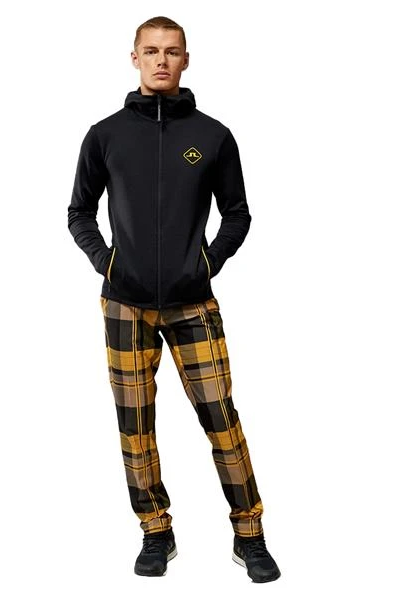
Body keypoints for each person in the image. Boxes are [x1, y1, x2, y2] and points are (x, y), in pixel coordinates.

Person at [67, 16, 281, 584]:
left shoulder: (212, 136)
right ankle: (155, 531)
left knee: (221, 417)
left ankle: (250, 533)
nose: (161, 60)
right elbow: (79, 212)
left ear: (186, 59)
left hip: (193, 303)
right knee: (135, 425)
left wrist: (207, 263)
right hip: (125, 304)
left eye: (172, 51)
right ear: (134, 58)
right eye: (151, 51)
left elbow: (237, 214)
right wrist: (107, 262)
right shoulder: (105, 135)